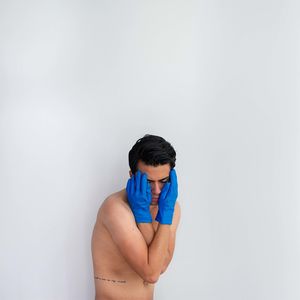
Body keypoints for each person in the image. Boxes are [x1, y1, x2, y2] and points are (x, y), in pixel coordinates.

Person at [91, 134, 181, 300]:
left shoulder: (170, 207)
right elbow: (151, 274)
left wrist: (156, 214)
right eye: (148, 182)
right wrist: (142, 213)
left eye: (163, 180)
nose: (157, 190)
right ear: (132, 176)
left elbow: (161, 265)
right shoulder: (115, 209)